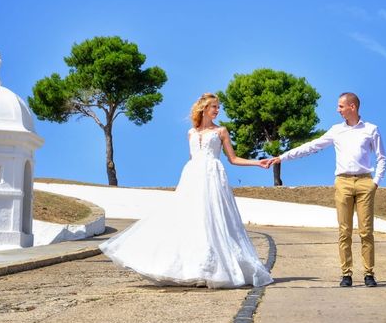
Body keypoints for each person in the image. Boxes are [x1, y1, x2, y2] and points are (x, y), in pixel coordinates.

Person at [100, 93, 273, 288]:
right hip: (192, 176)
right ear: (204, 109)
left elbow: (233, 159)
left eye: (218, 107)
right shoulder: (191, 133)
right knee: (190, 220)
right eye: (214, 107)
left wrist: (258, 162)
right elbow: (193, 158)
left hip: (213, 176)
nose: (217, 110)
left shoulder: (221, 131)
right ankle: (190, 268)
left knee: (213, 219)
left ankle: (213, 270)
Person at [263, 92, 386, 287]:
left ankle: (369, 274)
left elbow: (381, 157)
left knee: (366, 231)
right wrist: (282, 157)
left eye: (341, 106)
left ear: (352, 107)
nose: (338, 110)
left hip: (365, 183)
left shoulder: (371, 129)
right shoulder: (336, 131)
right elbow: (312, 146)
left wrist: (375, 182)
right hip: (343, 182)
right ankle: (346, 274)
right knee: (344, 230)